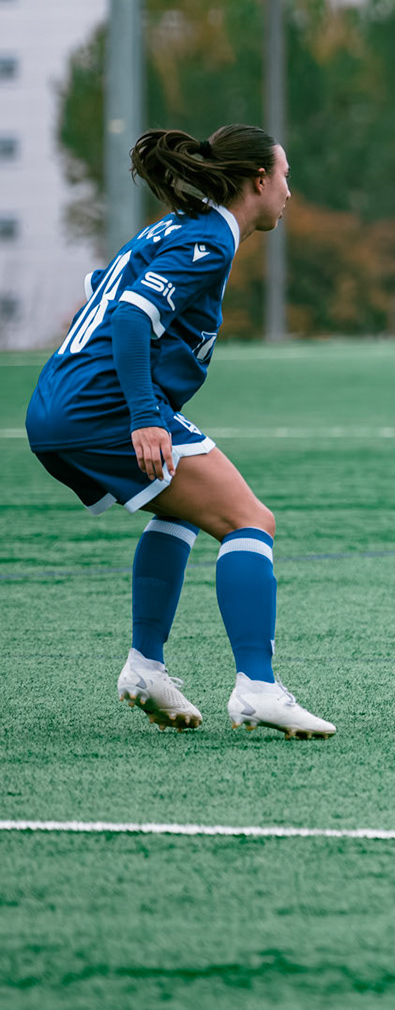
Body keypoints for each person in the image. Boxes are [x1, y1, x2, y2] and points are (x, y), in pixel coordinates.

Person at [26, 125, 335, 740]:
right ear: (258, 181)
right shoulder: (208, 239)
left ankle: (146, 669)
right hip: (103, 406)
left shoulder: (170, 228)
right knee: (251, 521)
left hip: (56, 404)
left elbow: (102, 288)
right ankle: (257, 688)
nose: (289, 194)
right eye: (285, 177)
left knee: (180, 511)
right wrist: (143, 413)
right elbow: (134, 316)